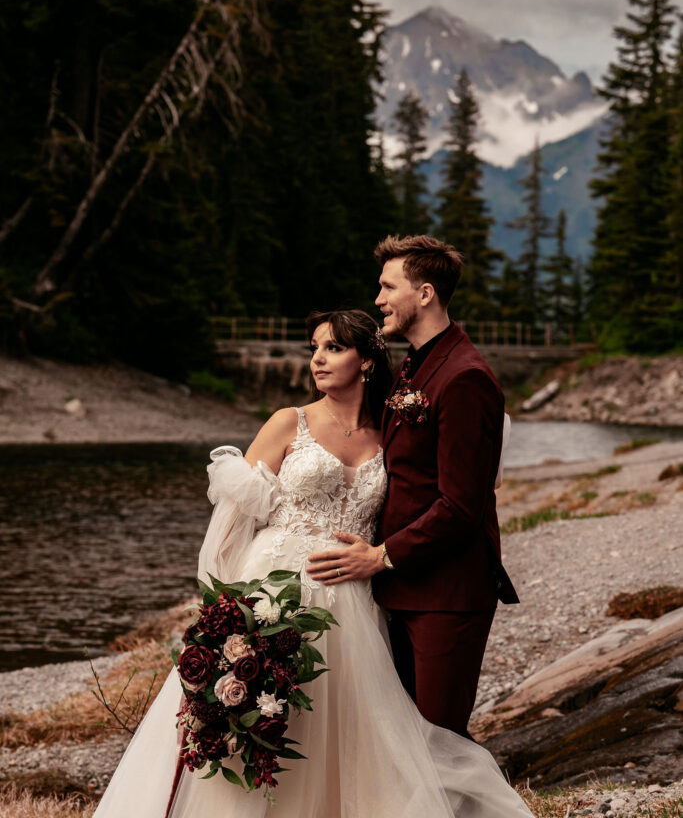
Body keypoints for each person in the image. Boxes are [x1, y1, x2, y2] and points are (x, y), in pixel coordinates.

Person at [93, 307, 531, 818]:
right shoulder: (288, 422)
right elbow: (234, 521)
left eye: (334, 348)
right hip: (272, 590)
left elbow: (465, 447)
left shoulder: (389, 433)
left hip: (353, 603)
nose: (318, 359)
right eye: (315, 349)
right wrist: (228, 608)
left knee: (344, 726)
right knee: (259, 713)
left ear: (367, 361)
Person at [306, 235, 517, 739]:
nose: (377, 298)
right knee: (402, 747)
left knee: (440, 742)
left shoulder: (466, 377)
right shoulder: (412, 367)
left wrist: (379, 556)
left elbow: (462, 505)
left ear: (424, 294)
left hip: (447, 593)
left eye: (387, 286)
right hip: (400, 590)